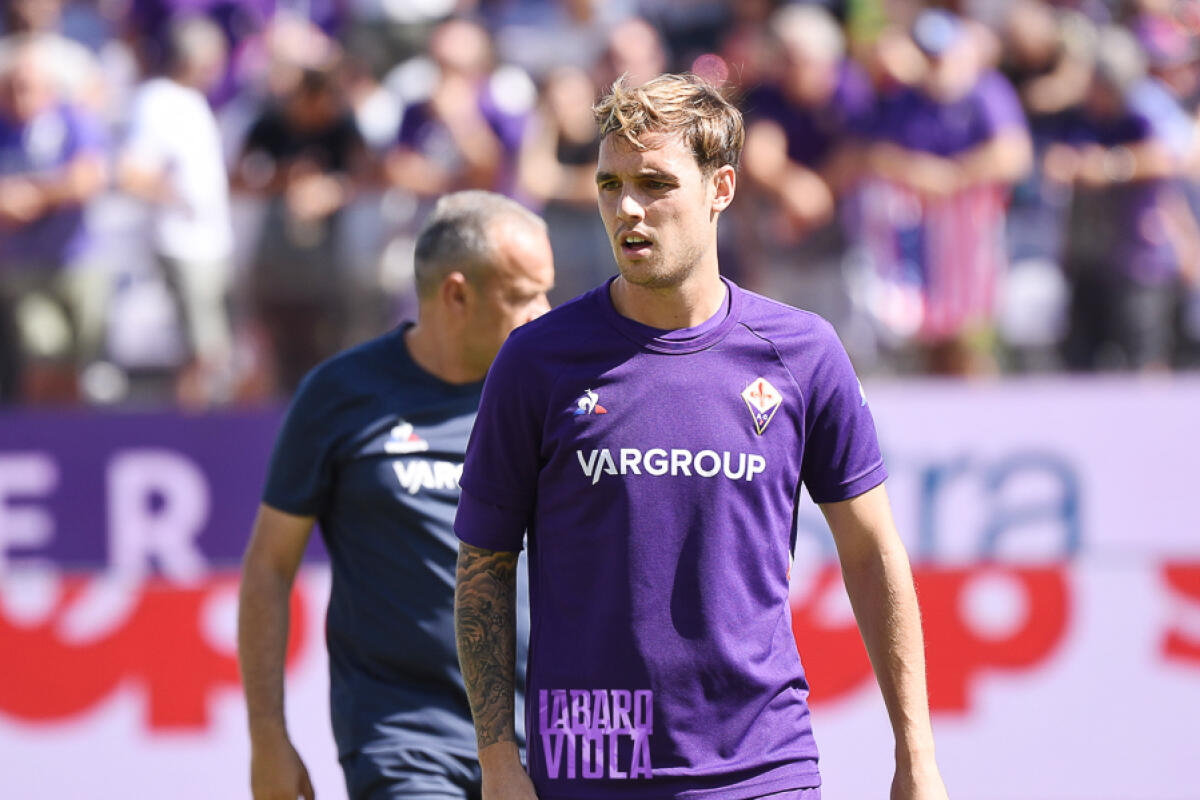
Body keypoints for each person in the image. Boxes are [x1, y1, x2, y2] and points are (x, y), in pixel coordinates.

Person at [453, 74, 948, 800]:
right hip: (587, 771)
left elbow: (872, 552)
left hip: (761, 770)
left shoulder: (802, 353)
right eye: (609, 183)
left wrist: (917, 755)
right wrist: (498, 761)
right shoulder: (535, 361)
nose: (627, 207)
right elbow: (483, 568)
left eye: (655, 183)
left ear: (721, 189)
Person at [238, 190, 555, 800]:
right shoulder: (339, 395)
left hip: (541, 738)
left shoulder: (551, 400)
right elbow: (268, 567)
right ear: (456, 294)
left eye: (547, 291)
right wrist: (267, 736)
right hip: (405, 737)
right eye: (522, 296)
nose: (543, 313)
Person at [118, 15, 235, 406]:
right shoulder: (157, 100)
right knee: (203, 351)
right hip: (183, 245)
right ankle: (193, 433)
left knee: (215, 351)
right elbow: (132, 173)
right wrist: (183, 202)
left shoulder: (191, 101)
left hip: (210, 245)